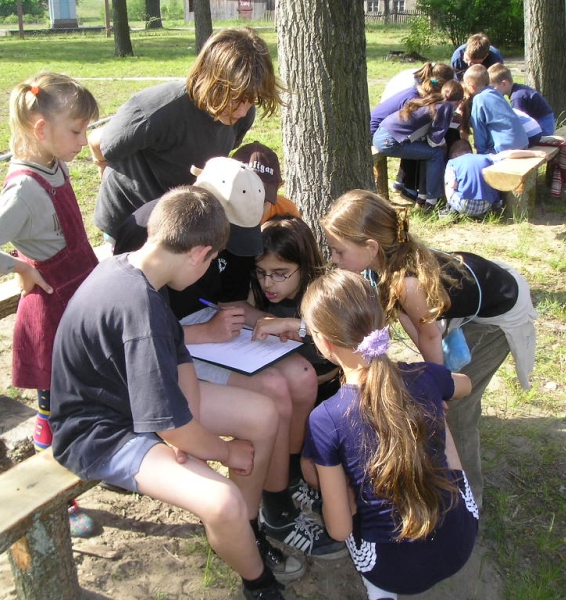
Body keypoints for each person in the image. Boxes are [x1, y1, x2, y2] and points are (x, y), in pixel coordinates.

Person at [49, 187, 291, 600]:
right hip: (100, 431)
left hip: (133, 401)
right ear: (200, 253)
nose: (211, 267)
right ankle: (260, 584)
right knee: (222, 501)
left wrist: (192, 431)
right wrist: (222, 451)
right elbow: (174, 427)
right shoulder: (138, 307)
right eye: (213, 259)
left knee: (263, 415)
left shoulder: (140, 271)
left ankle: (246, 534)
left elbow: (179, 366)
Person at [114, 157, 346, 564]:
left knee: (303, 376)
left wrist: (276, 322)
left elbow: (231, 301)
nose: (234, 245)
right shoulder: (147, 232)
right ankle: (264, 512)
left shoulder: (236, 232)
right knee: (273, 390)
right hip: (168, 340)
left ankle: (284, 482)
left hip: (208, 325)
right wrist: (202, 332)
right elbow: (134, 333)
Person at [321, 190, 539, 511]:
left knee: (458, 410)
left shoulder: (408, 282)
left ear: (370, 248)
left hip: (498, 313)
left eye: (339, 252)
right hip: (466, 306)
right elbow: (408, 323)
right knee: (442, 396)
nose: (334, 259)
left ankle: (467, 502)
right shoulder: (381, 264)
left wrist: (439, 388)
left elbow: (429, 337)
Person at [0, 72, 100, 537]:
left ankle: (91, 464)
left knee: (85, 397)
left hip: (79, 300)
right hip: (52, 311)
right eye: (77, 131)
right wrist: (19, 267)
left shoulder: (52, 167)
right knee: (54, 409)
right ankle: (60, 499)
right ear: (42, 130)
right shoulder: (24, 189)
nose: (85, 139)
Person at [299, 270, 478, 599]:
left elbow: (338, 529)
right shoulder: (423, 375)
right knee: (436, 417)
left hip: (394, 570)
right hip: (460, 541)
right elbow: (464, 384)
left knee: (339, 492)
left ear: (323, 344)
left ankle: (380, 593)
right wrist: (438, 392)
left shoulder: (326, 418)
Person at [90, 27, 285, 244]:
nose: (243, 111)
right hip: (130, 221)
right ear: (211, 79)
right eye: (236, 99)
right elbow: (100, 143)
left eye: (251, 100)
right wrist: (101, 168)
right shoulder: (156, 110)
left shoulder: (242, 115)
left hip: (178, 221)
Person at [250, 216, 341, 405]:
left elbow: (342, 339)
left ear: (304, 264)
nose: (267, 283)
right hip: (280, 390)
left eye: (280, 274)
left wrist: (293, 324)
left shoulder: (324, 296)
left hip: (328, 395)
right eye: (260, 272)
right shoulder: (256, 294)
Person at [373, 79, 465, 211]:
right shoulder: (446, 107)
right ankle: (432, 201)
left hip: (381, 134)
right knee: (436, 153)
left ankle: (422, 197)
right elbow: (434, 140)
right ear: (459, 101)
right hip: (389, 141)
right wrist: (444, 145)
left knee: (427, 153)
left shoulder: (433, 100)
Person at [443, 139, 548, 219]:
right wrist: (535, 153)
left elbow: (452, 185)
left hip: (463, 205)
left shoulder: (452, 162)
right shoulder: (486, 157)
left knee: (448, 183)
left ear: (455, 155)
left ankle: (450, 209)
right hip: (486, 205)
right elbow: (509, 153)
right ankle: (494, 207)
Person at [463, 65, 528, 155]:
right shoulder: (496, 93)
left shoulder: (479, 99)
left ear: (473, 86)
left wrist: (481, 152)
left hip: (506, 147)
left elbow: (479, 128)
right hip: (523, 142)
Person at [231, 141, 302, 223]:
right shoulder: (219, 212)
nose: (252, 207)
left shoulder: (286, 211)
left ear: (278, 187)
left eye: (262, 200)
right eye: (243, 194)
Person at [488, 63, 556, 135]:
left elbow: (518, 123)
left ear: (504, 84)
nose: (492, 91)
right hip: (545, 123)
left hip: (544, 128)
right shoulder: (519, 89)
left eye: (493, 88)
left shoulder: (517, 97)